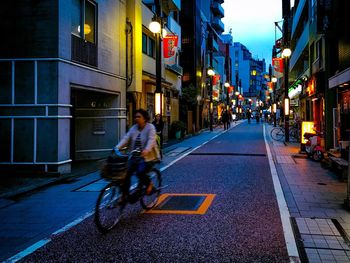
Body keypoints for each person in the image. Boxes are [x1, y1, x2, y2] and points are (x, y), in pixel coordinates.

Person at [115, 109, 160, 204]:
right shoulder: (134, 128)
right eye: (135, 117)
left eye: (139, 116)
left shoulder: (150, 127)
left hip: (148, 157)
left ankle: (149, 184)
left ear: (144, 118)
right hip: (134, 156)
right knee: (125, 173)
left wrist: (146, 150)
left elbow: (151, 140)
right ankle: (124, 195)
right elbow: (126, 138)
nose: (136, 118)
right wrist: (117, 147)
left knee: (140, 172)